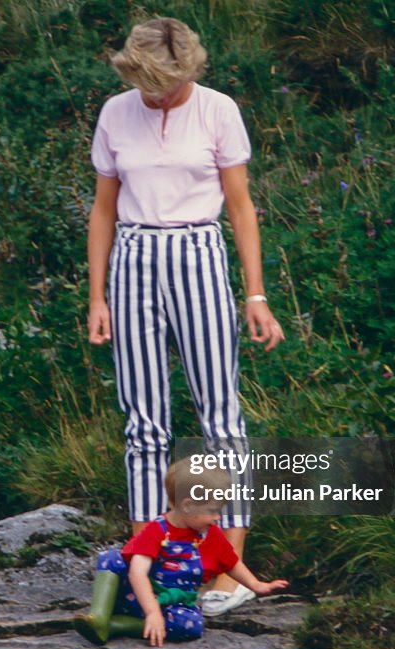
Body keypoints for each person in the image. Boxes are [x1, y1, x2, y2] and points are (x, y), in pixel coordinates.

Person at [86, 17, 284, 615]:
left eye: (167, 87)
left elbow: (242, 206)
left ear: (189, 73)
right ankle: (154, 566)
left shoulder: (219, 110)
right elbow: (102, 211)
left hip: (198, 251)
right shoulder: (116, 112)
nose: (158, 98)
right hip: (133, 255)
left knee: (219, 415)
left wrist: (256, 295)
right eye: (148, 87)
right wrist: (97, 297)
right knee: (144, 421)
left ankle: (225, 570)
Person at [74, 457, 288, 646]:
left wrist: (256, 585)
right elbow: (137, 572)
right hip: (138, 595)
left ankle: (117, 626)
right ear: (187, 506)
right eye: (212, 511)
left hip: (172, 604)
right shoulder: (156, 530)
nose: (218, 518)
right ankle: (100, 616)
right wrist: (151, 611)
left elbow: (231, 562)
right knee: (111, 558)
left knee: (191, 626)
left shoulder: (209, 534)